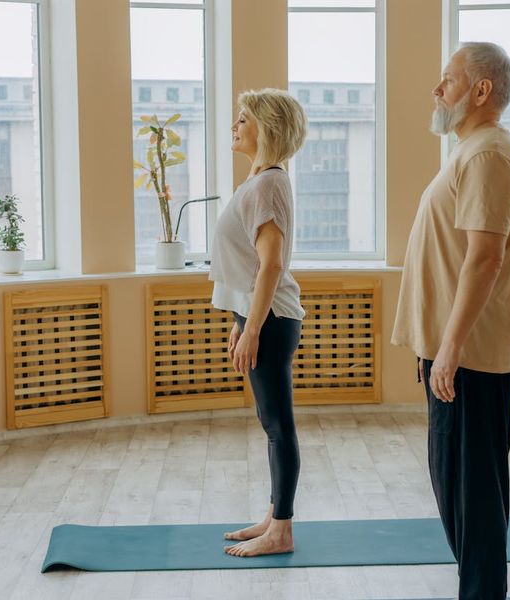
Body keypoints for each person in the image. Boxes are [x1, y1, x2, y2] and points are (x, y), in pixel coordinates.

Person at [391, 42, 510, 599]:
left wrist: (449, 348)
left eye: (447, 79)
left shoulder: (487, 156)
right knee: (459, 492)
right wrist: (432, 346)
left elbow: (485, 258)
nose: (436, 89)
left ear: (480, 91)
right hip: (455, 356)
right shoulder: (473, 152)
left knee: (471, 499)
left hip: (469, 359)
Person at [209, 88, 308, 558]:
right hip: (261, 317)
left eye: (243, 119)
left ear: (265, 128)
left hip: (272, 320)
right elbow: (252, 265)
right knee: (271, 423)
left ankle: (282, 530)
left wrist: (252, 328)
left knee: (277, 425)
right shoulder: (261, 180)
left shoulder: (269, 183)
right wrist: (241, 319)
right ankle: (273, 516)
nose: (235, 126)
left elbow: (271, 266)